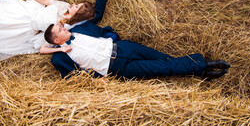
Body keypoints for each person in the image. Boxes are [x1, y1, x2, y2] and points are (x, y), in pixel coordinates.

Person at [43, 22, 230, 81]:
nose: (63, 28)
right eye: (60, 30)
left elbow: (96, 14)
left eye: (61, 26)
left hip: (124, 47)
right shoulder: (59, 56)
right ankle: (204, 65)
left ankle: (201, 71)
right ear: (56, 40)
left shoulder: (80, 28)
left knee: (165, 60)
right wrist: (97, 81)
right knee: (161, 68)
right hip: (118, 68)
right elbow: (74, 76)